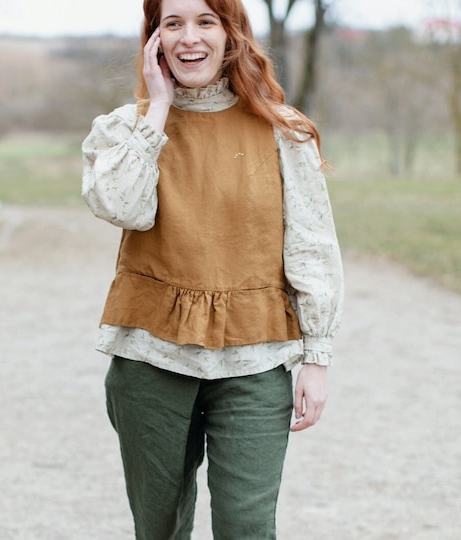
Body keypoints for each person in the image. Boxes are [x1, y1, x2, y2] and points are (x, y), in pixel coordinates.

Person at [81, 0, 343, 538]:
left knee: (247, 526)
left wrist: (316, 358)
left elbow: (312, 245)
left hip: (255, 361)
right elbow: (124, 208)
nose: (189, 37)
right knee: (159, 527)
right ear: (154, 39)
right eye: (172, 23)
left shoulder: (282, 131)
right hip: (151, 359)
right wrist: (158, 109)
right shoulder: (125, 129)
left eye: (206, 21)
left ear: (231, 34)